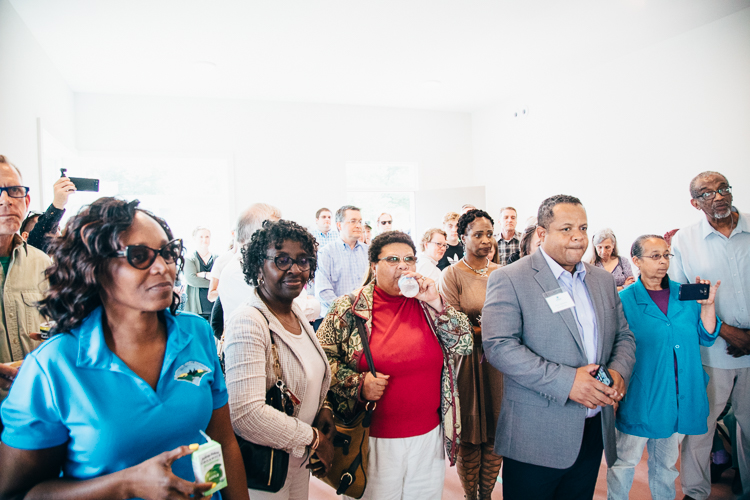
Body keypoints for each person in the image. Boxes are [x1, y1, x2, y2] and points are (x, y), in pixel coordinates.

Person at [0, 197, 248, 500]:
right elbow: (20, 493)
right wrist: (125, 483)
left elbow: (222, 439)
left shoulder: (195, 333)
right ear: (95, 267)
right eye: (140, 256)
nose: (163, 267)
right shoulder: (53, 367)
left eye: (168, 252)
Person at [482, 194, 636, 500]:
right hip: (535, 435)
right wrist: (568, 382)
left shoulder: (602, 280)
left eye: (582, 227)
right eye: (566, 228)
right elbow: (499, 346)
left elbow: (624, 336)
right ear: (542, 233)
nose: (578, 236)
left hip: (591, 431)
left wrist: (619, 372)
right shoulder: (510, 278)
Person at [317, 231, 473, 500]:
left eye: (409, 259)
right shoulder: (349, 307)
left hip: (428, 437)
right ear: (374, 266)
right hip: (372, 438)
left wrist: (436, 302)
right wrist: (358, 384)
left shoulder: (427, 305)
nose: (403, 265)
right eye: (392, 259)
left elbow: (464, 343)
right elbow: (320, 363)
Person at [224, 219, 334, 500]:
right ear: (259, 266)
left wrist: (324, 409)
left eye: (303, 260)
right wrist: (312, 439)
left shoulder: (293, 311)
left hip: (297, 461)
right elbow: (246, 414)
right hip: (265, 469)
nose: (295, 269)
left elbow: (307, 376)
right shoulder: (248, 321)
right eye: (282, 260)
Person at [607, 235, 721, 500]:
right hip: (643, 395)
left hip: (679, 395)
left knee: (666, 466)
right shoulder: (623, 301)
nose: (662, 262)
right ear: (636, 261)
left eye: (666, 255)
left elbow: (706, 335)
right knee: (624, 462)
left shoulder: (685, 295)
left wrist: (708, 306)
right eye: (655, 256)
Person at [669, 171, 750, 500]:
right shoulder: (684, 240)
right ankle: (696, 491)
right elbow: (683, 297)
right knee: (701, 427)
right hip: (713, 350)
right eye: (706, 193)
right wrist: (727, 332)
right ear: (694, 202)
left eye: (722, 189)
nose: (717, 197)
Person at [439, 209, 503, 500]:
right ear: (462, 237)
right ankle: (471, 496)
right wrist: (490, 329)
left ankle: (487, 494)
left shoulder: (502, 274)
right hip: (466, 363)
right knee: (471, 435)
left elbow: (514, 320)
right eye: (478, 234)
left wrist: (482, 327)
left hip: (499, 363)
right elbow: (453, 325)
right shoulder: (451, 275)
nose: (486, 240)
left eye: (489, 233)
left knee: (495, 433)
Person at [0, 156, 51, 404]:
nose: (6, 200)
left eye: (15, 191)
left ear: (26, 200)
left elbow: (54, 325)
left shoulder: (43, 263)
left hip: (37, 403)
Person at [219, 204, 320, 326]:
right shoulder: (238, 270)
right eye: (274, 230)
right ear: (257, 233)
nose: (281, 235)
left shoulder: (267, 261)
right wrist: (314, 304)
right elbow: (285, 310)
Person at [314, 205, 369, 319]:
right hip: (337, 319)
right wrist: (347, 311)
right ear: (339, 225)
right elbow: (323, 291)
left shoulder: (368, 252)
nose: (358, 225)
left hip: (365, 317)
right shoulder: (326, 253)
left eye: (360, 221)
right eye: (353, 221)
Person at [25, 174, 76, 253]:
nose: (56, 232)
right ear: (26, 236)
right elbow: (40, 242)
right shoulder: (30, 257)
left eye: (57, 227)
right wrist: (58, 204)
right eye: (53, 228)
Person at [184, 226, 216, 319]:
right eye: (201, 237)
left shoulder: (217, 258)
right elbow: (191, 280)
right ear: (195, 238)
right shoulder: (189, 259)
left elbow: (222, 279)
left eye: (207, 237)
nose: (204, 240)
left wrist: (200, 275)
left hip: (215, 307)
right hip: (197, 309)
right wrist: (208, 276)